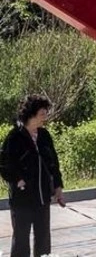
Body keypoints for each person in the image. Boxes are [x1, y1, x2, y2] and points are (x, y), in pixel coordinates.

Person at [0, 95, 65, 257]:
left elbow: (53, 164)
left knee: (43, 237)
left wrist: (58, 186)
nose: (45, 117)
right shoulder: (14, 137)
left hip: (43, 197)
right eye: (42, 113)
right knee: (21, 239)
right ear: (31, 114)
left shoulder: (44, 135)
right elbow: (5, 164)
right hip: (22, 198)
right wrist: (18, 181)